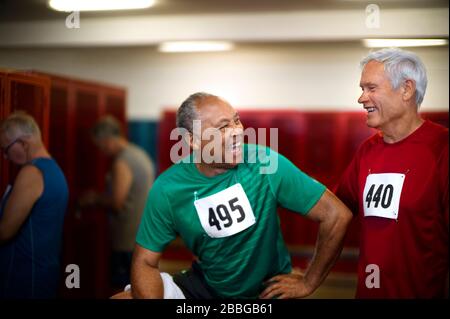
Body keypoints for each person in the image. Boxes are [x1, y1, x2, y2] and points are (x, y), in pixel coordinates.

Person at [126, 92, 352, 299]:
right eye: (223, 127)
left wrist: (309, 282)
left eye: (236, 120)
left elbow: (336, 215)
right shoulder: (168, 188)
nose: (237, 131)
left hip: (266, 291)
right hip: (206, 287)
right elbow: (145, 260)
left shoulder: (265, 164)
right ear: (192, 141)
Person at [336, 48, 448, 298]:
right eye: (362, 89)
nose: (361, 98)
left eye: (371, 88)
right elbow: (337, 209)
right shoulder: (367, 151)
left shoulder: (442, 149)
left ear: (406, 89)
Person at [80, 115, 154, 289]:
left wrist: (93, 198)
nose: (102, 151)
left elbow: (116, 202)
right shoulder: (139, 153)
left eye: (100, 146)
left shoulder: (122, 161)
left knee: (123, 290)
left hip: (126, 240)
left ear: (107, 140)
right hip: (142, 236)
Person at [0, 111, 69, 299]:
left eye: (6, 149)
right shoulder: (54, 170)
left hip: (24, 277)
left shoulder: (32, 172)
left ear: (23, 143)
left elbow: (5, 231)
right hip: (43, 272)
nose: (5, 157)